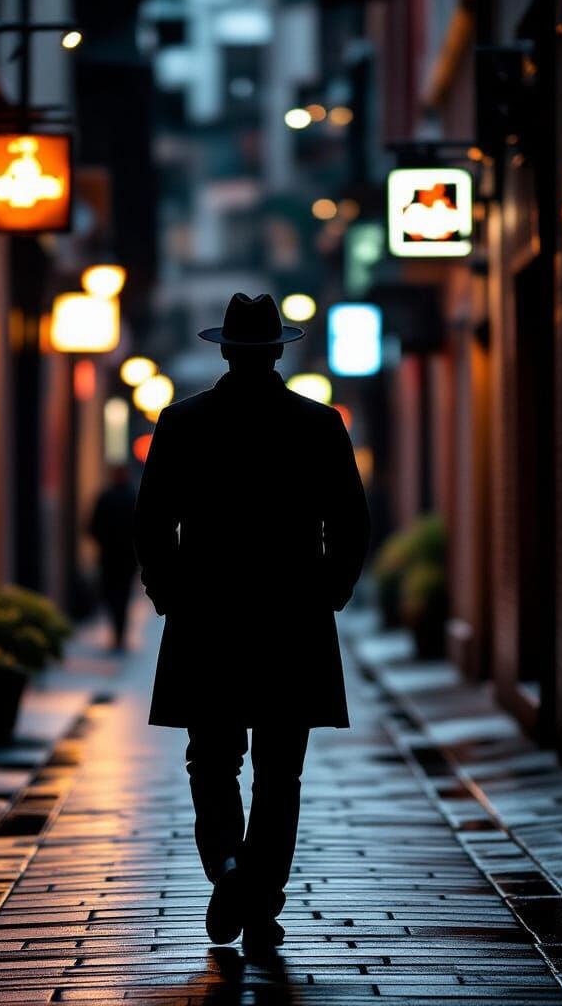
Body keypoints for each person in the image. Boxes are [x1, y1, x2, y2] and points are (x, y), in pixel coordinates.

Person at [134, 292, 370, 954]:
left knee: (210, 759)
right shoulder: (319, 423)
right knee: (279, 767)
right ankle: (261, 897)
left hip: (207, 615)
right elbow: (350, 523)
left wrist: (168, 593)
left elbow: (152, 523)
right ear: (276, 352)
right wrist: (331, 591)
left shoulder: (182, 423)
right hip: (292, 616)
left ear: (226, 351)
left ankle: (230, 872)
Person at [89, 465, 138, 652]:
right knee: (123, 595)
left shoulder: (106, 497)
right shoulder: (133, 498)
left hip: (109, 556)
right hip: (127, 557)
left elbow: (93, 527)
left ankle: (117, 631)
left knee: (110, 593)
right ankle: (120, 632)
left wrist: (104, 540)